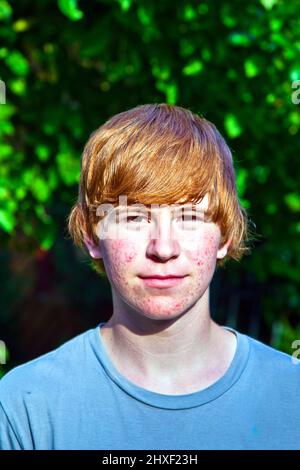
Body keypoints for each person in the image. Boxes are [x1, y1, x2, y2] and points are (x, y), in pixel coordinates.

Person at [0, 104, 299, 450]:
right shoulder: (24, 410)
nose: (163, 247)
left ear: (226, 234)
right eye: (134, 218)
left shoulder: (291, 397)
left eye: (188, 217)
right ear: (92, 237)